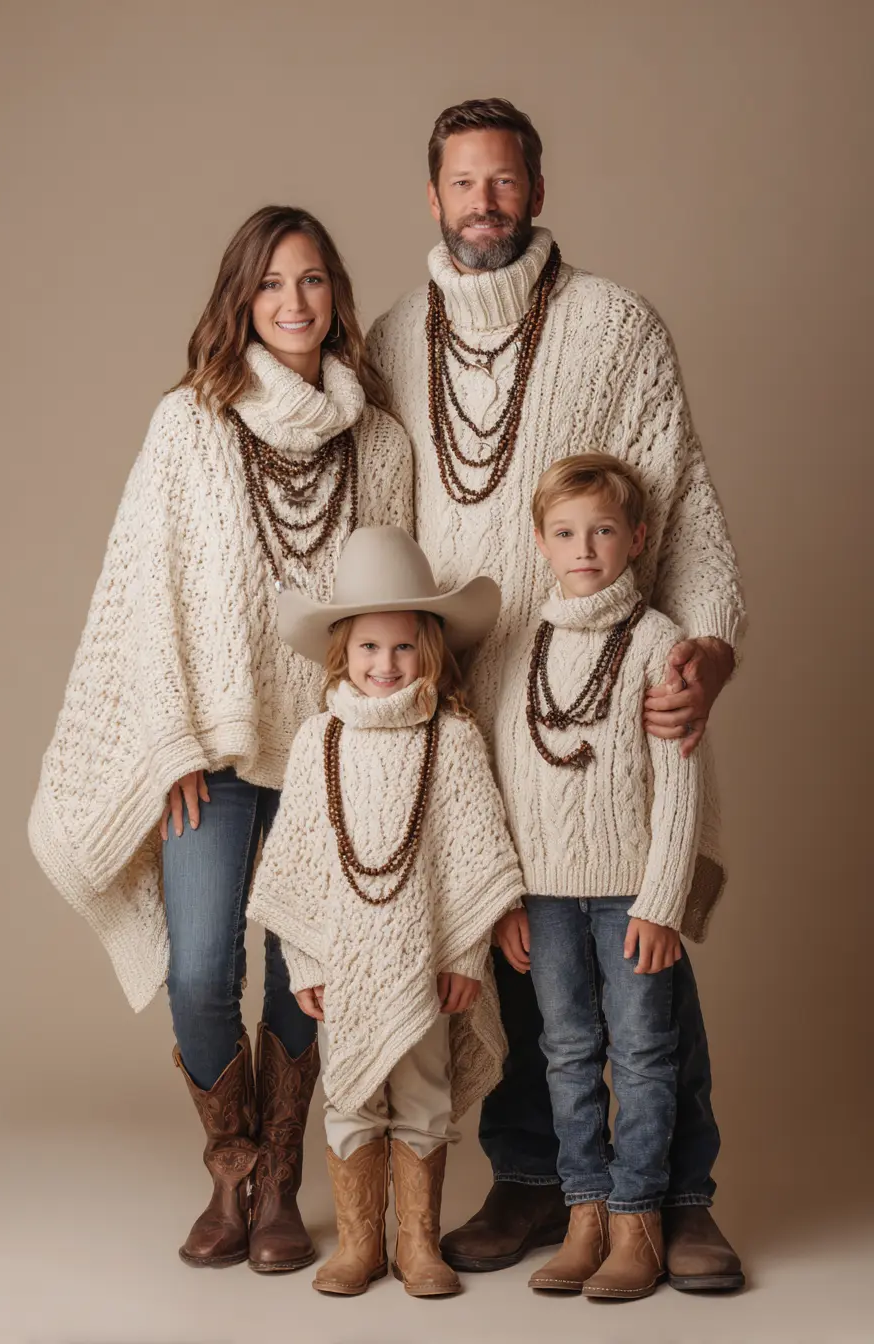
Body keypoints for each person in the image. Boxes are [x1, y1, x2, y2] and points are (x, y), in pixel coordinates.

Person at [366, 97, 746, 1289]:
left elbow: (678, 509)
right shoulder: (387, 338)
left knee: (642, 956)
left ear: (536, 191)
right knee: (523, 959)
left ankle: (676, 1199)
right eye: (463, 183)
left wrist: (704, 660)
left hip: (612, 685)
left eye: (505, 182)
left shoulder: (613, 325)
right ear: (431, 198)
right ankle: (537, 1178)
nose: (484, 203)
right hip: (472, 709)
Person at [28, 206, 413, 1273]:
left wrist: (372, 743)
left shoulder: (377, 442)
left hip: (331, 753)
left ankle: (278, 1183)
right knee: (202, 972)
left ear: (336, 294)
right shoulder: (191, 423)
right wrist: (166, 747)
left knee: (302, 972)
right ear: (240, 301)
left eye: (313, 282)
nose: (294, 303)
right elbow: (144, 594)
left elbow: (387, 605)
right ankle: (231, 1164)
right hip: (212, 748)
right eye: (272, 285)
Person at [247, 525, 525, 1298]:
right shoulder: (318, 742)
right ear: (343, 650)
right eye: (369, 648)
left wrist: (466, 954)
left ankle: (419, 1242)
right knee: (350, 1093)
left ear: (430, 650)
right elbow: (297, 863)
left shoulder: (454, 739)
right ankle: (359, 1243)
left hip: (426, 958)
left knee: (424, 1092)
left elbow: (474, 850)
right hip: (343, 961)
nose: (386, 664)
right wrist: (306, 960)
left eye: (403, 648)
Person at [494, 453, 724, 1300]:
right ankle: (582, 1210)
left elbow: (679, 786)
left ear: (636, 539)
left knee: (644, 1052)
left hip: (631, 891)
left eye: (601, 530)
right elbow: (501, 782)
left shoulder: (661, 642)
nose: (583, 546)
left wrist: (662, 900)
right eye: (564, 532)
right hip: (545, 896)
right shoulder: (521, 643)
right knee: (563, 1050)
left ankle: (639, 1220)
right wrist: (504, 900)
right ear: (541, 544)